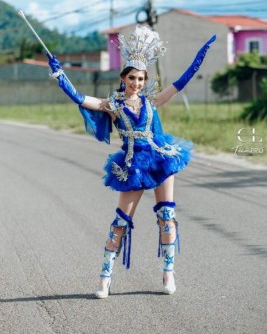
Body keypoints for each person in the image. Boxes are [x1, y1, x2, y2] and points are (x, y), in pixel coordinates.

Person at [46, 25, 216, 298]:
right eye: (132, 78)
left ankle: (168, 272)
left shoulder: (153, 101)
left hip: (160, 159)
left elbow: (180, 84)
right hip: (132, 166)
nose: (137, 82)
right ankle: (105, 276)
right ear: (123, 78)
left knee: (167, 216)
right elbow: (79, 98)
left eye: (141, 78)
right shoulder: (111, 105)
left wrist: (199, 58)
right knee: (121, 222)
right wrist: (59, 74)